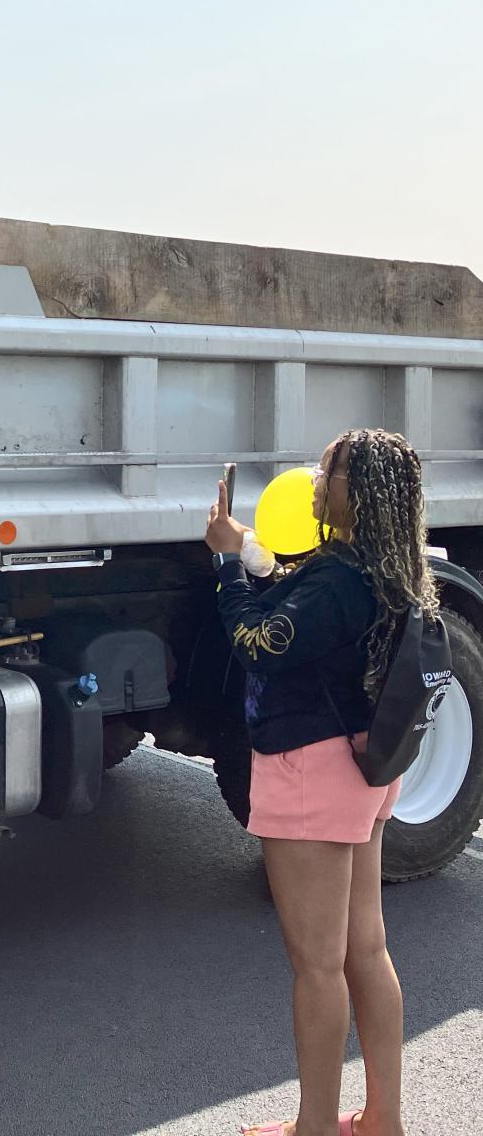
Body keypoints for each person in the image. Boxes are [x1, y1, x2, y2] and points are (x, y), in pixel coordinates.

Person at [205, 429, 436, 1136]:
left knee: (316, 965)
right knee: (364, 948)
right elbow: (299, 605)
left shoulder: (339, 576)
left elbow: (264, 643)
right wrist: (247, 549)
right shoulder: (385, 567)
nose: (313, 482)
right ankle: (380, 1119)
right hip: (360, 770)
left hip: (310, 770)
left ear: (356, 493)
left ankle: (313, 1128)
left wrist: (223, 569)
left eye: (329, 471)